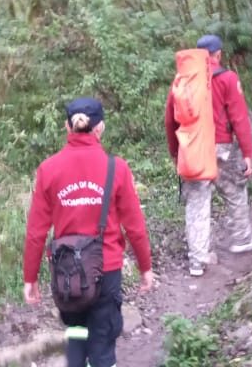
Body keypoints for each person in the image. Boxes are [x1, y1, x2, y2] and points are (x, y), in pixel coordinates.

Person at [23, 97, 154, 367]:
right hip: (106, 271)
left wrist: (30, 278)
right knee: (102, 347)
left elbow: (36, 232)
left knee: (76, 338)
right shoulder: (117, 168)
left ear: (67, 127)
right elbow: (135, 227)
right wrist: (145, 267)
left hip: (67, 276)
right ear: (100, 127)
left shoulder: (48, 169)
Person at [165, 34, 252, 277]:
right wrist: (247, 153)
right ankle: (241, 237)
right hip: (221, 148)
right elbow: (239, 118)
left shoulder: (183, 80)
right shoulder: (227, 78)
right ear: (218, 54)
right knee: (234, 189)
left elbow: (170, 120)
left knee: (197, 202)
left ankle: (197, 261)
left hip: (192, 148)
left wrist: (176, 152)